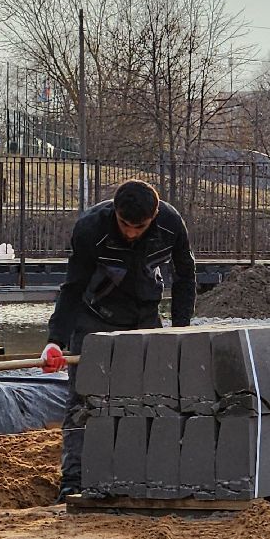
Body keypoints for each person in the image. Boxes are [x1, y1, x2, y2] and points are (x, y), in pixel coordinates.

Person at [40, 178, 196, 501]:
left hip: (144, 319)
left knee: (155, 396)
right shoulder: (90, 230)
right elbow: (71, 288)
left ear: (153, 217)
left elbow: (185, 276)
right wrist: (55, 340)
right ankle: (74, 481)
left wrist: (182, 329)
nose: (130, 233)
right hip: (93, 317)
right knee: (82, 402)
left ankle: (147, 474)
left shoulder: (171, 225)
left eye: (138, 227)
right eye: (124, 224)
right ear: (115, 212)